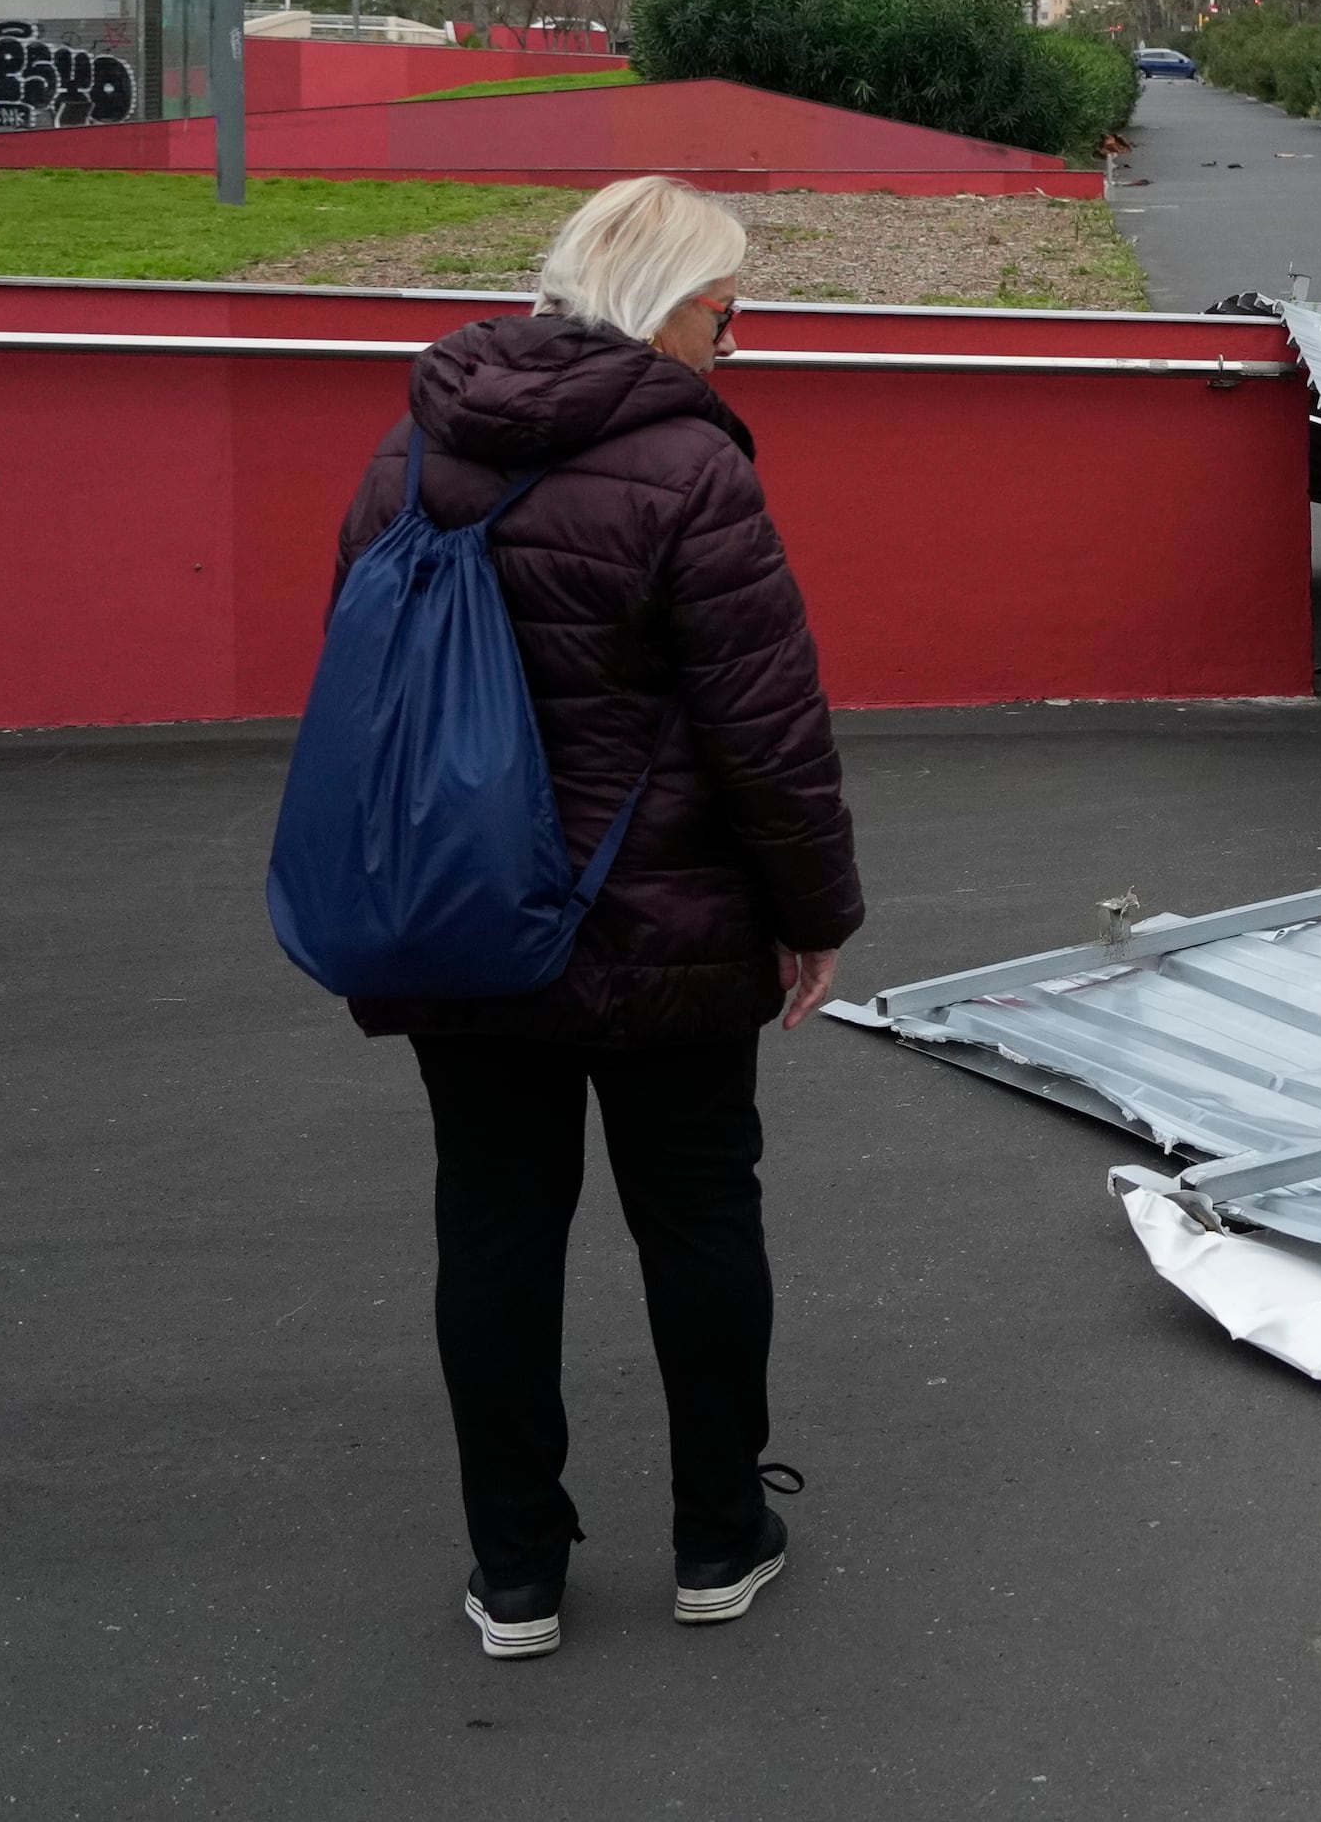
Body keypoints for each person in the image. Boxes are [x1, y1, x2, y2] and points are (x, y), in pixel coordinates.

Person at [336, 175, 864, 1656]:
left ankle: (516, 1570)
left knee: (495, 1222)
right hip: (669, 926)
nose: (736, 338)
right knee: (696, 1208)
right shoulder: (693, 469)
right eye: (724, 307)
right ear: (663, 303)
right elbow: (768, 724)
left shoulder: (413, 445)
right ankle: (715, 1536)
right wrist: (814, 911)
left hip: (459, 915)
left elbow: (364, 682)